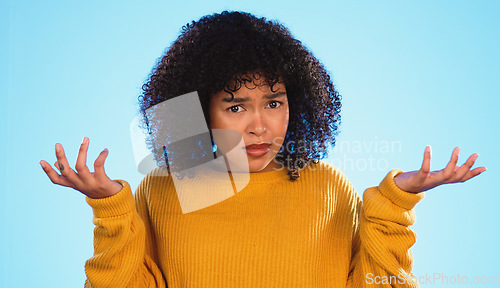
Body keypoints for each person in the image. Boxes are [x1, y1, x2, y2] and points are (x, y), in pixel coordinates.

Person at [39, 10, 486, 288]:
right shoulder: (165, 189)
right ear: (201, 110)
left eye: (274, 102)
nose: (260, 125)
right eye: (236, 106)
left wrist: (393, 204)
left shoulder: (326, 184)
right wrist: (109, 208)